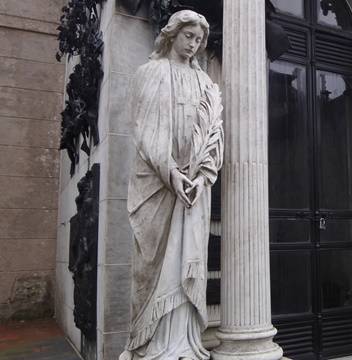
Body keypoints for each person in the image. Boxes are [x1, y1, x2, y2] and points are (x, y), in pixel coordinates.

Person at [120, 10, 224, 360]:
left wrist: (201, 175)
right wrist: (171, 174)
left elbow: (215, 134)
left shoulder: (205, 84)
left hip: (193, 188)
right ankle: (152, 345)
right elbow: (143, 132)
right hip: (159, 186)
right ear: (172, 34)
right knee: (152, 263)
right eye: (188, 37)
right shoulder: (150, 73)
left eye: (198, 39)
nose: (193, 45)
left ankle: (183, 343)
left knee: (187, 262)